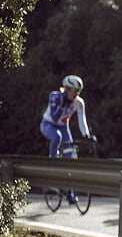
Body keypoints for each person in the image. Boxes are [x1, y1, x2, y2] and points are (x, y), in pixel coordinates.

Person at [40, 74, 96, 203]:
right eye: (74, 91)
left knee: (70, 157)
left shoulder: (79, 102)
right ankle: (52, 164)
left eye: (79, 92)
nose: (76, 95)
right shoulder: (55, 96)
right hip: (48, 124)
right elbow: (54, 118)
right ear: (67, 89)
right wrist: (62, 103)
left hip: (64, 126)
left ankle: (70, 193)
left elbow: (82, 120)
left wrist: (87, 135)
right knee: (57, 137)